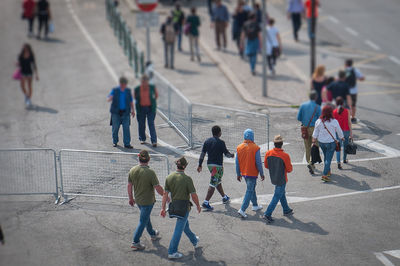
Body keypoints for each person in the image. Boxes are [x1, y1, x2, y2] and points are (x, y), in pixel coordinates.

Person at [161, 157, 201, 260]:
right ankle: (172, 251)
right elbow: (193, 195)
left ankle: (194, 240)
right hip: (184, 208)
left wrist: (163, 208)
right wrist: (198, 205)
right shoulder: (187, 179)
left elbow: (165, 194)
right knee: (179, 229)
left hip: (174, 207)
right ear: (184, 166)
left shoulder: (169, 177)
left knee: (184, 225)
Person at [128, 150, 166, 250]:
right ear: (149, 159)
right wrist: (165, 196)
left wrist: (131, 198)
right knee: (143, 221)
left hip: (138, 200)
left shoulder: (132, 170)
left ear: (138, 157)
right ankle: (135, 241)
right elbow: (157, 187)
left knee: (145, 218)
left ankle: (153, 234)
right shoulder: (150, 172)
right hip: (148, 201)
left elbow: (129, 185)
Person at [197, 125, 234, 211]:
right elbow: (227, 154)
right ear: (219, 133)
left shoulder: (207, 141)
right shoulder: (221, 142)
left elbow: (202, 154)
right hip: (217, 167)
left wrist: (200, 164)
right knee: (213, 183)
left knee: (217, 181)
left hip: (210, 165)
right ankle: (206, 202)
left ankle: (224, 197)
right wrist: (233, 155)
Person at [263, 135, 293, 223]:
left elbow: (266, 165)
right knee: (277, 196)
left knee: (281, 193)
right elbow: (289, 169)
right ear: (282, 144)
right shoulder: (285, 155)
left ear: (274, 144)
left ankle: (286, 209)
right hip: (282, 178)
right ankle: (267, 214)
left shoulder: (268, 153)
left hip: (274, 177)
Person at [236, 129, 265, 218]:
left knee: (251, 189)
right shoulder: (255, 147)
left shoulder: (239, 147)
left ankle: (255, 205)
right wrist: (262, 173)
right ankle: (242, 209)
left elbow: (237, 162)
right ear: (252, 136)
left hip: (244, 173)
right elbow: (259, 162)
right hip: (252, 173)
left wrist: (238, 173)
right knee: (250, 190)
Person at [312, 105, 344, 182]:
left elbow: (315, 132)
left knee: (326, 157)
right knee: (328, 159)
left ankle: (328, 171)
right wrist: (342, 137)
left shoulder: (318, 121)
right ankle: (325, 174)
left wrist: (313, 139)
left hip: (321, 142)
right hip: (331, 142)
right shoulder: (334, 121)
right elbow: (339, 131)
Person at [297, 90, 321, 174]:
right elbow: (320, 119)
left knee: (307, 147)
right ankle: (312, 163)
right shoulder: (317, 107)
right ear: (316, 97)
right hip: (314, 128)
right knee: (315, 146)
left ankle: (309, 162)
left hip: (305, 128)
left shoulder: (303, 106)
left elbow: (299, 118)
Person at [107, 76, 135, 149]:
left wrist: (133, 110)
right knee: (115, 128)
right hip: (116, 113)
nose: (123, 86)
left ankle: (127, 143)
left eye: (124, 84)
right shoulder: (115, 90)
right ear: (120, 84)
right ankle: (115, 141)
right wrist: (110, 98)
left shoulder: (128, 91)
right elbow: (109, 98)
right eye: (122, 84)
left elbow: (131, 101)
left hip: (125, 113)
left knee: (126, 128)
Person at [134, 74, 158, 147]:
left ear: (148, 81)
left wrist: (152, 102)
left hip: (150, 108)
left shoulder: (152, 87)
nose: (144, 83)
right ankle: (142, 138)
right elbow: (135, 97)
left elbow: (156, 95)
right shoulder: (137, 89)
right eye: (143, 82)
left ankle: (154, 141)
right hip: (141, 108)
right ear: (141, 82)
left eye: (145, 82)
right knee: (141, 124)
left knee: (151, 124)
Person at [333, 97, 352, 169]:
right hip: (346, 131)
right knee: (345, 146)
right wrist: (351, 133)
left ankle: (338, 162)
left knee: (338, 147)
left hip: (338, 132)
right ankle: (344, 159)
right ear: (343, 103)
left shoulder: (334, 112)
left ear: (336, 103)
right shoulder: (347, 111)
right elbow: (349, 123)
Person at [344, 59, 365, 123]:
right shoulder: (355, 70)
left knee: (346, 105)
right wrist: (356, 78)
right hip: (354, 91)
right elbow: (362, 78)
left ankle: (346, 117)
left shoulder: (345, 71)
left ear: (346, 64)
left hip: (346, 91)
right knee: (353, 105)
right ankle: (353, 118)